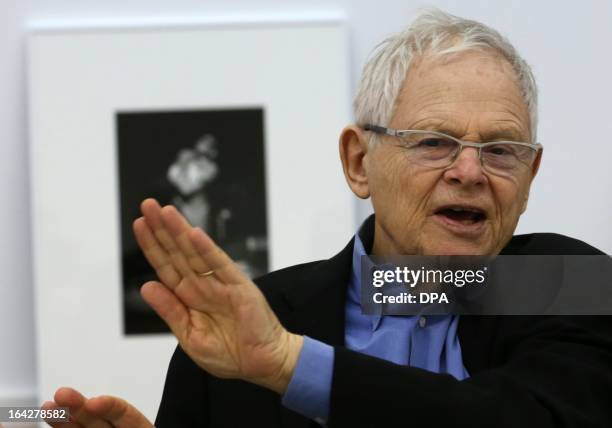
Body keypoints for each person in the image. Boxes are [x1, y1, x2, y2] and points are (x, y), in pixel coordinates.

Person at [43, 9, 612, 428]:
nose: (470, 171)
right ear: (359, 161)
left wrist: (292, 364)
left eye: (501, 149)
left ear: (530, 176)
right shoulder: (242, 320)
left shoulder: (573, 284)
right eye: (434, 142)